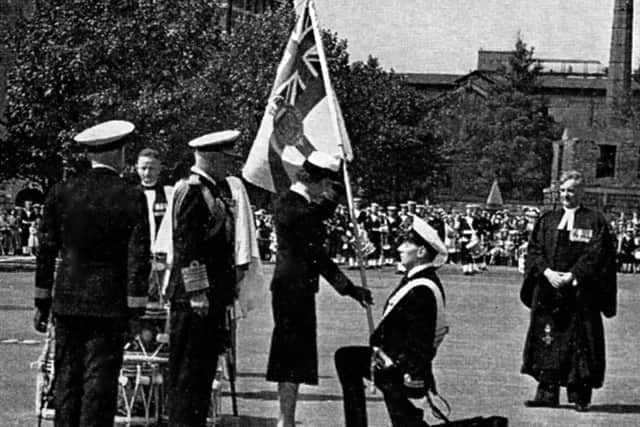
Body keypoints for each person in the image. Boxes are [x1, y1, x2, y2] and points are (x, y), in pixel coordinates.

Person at [34, 120, 150, 426]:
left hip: (68, 300)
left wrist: (41, 302)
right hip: (109, 304)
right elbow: (138, 258)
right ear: (120, 153)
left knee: (67, 381)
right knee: (100, 384)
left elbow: (45, 251)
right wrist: (136, 310)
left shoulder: (62, 191)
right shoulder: (131, 195)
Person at [266, 151, 372, 427]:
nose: (325, 191)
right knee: (290, 355)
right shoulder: (293, 206)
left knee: (295, 354)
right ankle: (284, 420)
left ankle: (286, 418)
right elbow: (319, 256)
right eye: (325, 185)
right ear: (314, 180)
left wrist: (334, 194)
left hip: (296, 289)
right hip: (292, 290)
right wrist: (350, 289)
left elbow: (316, 216)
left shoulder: (296, 203)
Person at [165, 130, 260, 426]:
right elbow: (187, 245)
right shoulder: (194, 191)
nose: (229, 166)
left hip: (212, 296)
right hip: (196, 299)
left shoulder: (214, 190)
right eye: (226, 159)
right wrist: (197, 291)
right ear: (210, 157)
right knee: (189, 373)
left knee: (203, 372)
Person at [334, 214, 449, 427]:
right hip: (395, 360)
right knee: (347, 359)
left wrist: (406, 370)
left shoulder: (421, 288)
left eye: (406, 243)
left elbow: (420, 340)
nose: (399, 248)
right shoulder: (419, 280)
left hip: (403, 367)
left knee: (347, 359)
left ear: (421, 252)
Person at [520, 170, 617, 412]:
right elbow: (534, 251)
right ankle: (546, 393)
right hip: (548, 294)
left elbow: (597, 254)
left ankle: (580, 396)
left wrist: (574, 274)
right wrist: (546, 272)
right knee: (547, 340)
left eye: (571, 190)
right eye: (562, 190)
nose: (566, 195)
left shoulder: (595, 221)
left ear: (581, 192)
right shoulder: (547, 220)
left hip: (579, 295)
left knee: (581, 344)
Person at [136, 147, 173, 302]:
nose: (147, 173)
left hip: (164, 258)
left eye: (152, 168)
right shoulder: (131, 193)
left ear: (159, 169)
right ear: (136, 168)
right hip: (139, 257)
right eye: (143, 168)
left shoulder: (170, 193)